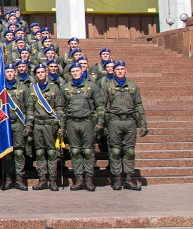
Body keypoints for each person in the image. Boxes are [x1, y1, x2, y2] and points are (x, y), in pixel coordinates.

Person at [102, 61, 147, 190]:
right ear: (113, 71)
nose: (120, 71)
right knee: (115, 151)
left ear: (126, 70)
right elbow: (102, 106)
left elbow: (139, 105)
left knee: (129, 151)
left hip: (130, 121)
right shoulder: (108, 86)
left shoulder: (132, 86)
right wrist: (101, 124)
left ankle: (128, 179)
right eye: (118, 69)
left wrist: (143, 124)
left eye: (122, 69)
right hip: (114, 121)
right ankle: (117, 179)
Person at [61, 62, 104, 191]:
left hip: (87, 122)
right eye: (73, 71)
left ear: (82, 71)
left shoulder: (92, 86)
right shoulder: (65, 88)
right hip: (72, 122)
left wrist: (100, 122)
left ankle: (89, 179)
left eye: (77, 71)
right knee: (75, 151)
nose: (75, 73)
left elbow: (100, 105)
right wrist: (62, 126)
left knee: (88, 151)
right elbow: (61, 108)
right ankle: (78, 178)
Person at [30, 63, 64, 191]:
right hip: (38, 123)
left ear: (47, 73)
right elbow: (30, 109)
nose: (40, 74)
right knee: (39, 153)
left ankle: (53, 180)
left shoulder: (54, 88)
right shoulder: (32, 89)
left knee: (51, 152)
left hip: (50, 124)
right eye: (38, 73)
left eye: (42, 72)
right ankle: (42, 179)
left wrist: (61, 125)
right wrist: (29, 125)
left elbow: (59, 108)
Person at [2, 63, 34, 191]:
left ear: (15, 73)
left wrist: (29, 124)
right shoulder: (1, 88)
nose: (9, 73)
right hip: (6, 124)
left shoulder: (23, 88)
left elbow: (29, 107)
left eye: (11, 71)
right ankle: (9, 178)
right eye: (7, 72)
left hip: (19, 123)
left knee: (19, 152)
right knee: (8, 153)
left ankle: (19, 179)